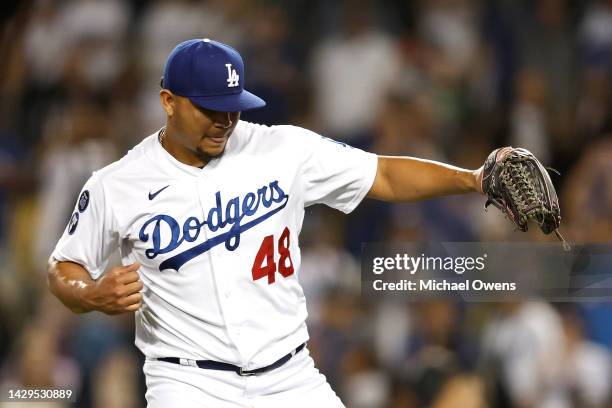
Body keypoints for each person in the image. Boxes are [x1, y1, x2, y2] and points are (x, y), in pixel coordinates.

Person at [47, 38, 484, 407]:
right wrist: (91, 293)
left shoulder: (281, 150)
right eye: (209, 109)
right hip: (190, 384)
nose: (225, 121)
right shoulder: (118, 183)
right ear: (168, 102)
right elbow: (62, 267)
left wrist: (475, 179)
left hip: (290, 375)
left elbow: (384, 174)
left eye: (232, 108)